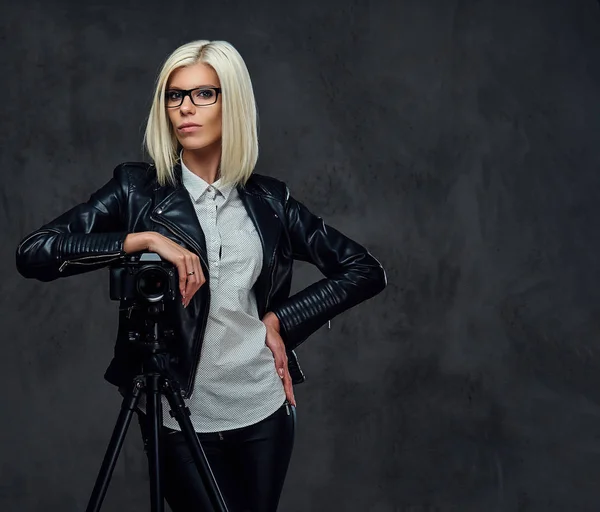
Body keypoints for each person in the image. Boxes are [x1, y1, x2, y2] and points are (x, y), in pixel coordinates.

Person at [15, 39, 387, 511]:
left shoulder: (271, 201)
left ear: (232, 103)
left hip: (263, 411)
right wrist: (141, 240)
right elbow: (35, 253)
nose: (185, 108)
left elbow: (363, 270)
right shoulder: (136, 191)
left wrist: (280, 322)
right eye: (175, 96)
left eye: (203, 94)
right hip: (178, 415)